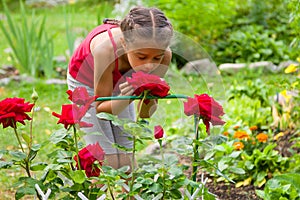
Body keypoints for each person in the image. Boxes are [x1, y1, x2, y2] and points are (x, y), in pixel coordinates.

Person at [67, 6, 173, 169]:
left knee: (126, 156)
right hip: (86, 82)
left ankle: (131, 195)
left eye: (156, 57)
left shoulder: (165, 56)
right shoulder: (105, 50)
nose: (148, 65)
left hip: (122, 86)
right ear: (124, 43)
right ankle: (96, 193)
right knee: (104, 157)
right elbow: (102, 110)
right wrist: (126, 98)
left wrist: (149, 96)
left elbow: (144, 114)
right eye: (141, 57)